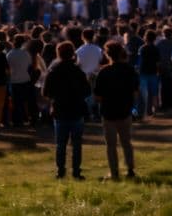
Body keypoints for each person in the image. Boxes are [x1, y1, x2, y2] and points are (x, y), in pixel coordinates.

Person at [42, 41, 90, 180]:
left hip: (60, 109)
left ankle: (60, 170)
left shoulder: (53, 71)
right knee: (76, 144)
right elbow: (87, 91)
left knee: (60, 144)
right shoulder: (78, 71)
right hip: (76, 109)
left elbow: (46, 92)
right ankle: (76, 171)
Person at [94, 40, 140, 181]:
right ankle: (130, 169)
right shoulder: (129, 70)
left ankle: (114, 173)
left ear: (107, 55)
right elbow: (135, 92)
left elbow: (97, 96)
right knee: (127, 142)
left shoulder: (104, 72)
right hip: (125, 110)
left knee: (111, 145)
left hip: (108, 112)